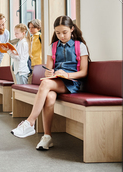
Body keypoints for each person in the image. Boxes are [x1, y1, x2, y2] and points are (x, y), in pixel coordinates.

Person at [11, 16, 89, 150]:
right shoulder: (52, 47)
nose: (61, 36)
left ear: (72, 29)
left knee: (46, 84)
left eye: (64, 32)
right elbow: (49, 69)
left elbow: (83, 72)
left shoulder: (80, 46)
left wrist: (67, 74)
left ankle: (30, 122)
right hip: (56, 81)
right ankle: (47, 137)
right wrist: (49, 73)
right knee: (50, 97)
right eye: (58, 33)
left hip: (72, 82)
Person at [28, 19, 42, 83]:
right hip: (31, 63)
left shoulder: (40, 36)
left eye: (33, 27)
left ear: (38, 28)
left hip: (38, 62)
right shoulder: (31, 38)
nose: (30, 29)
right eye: (29, 27)